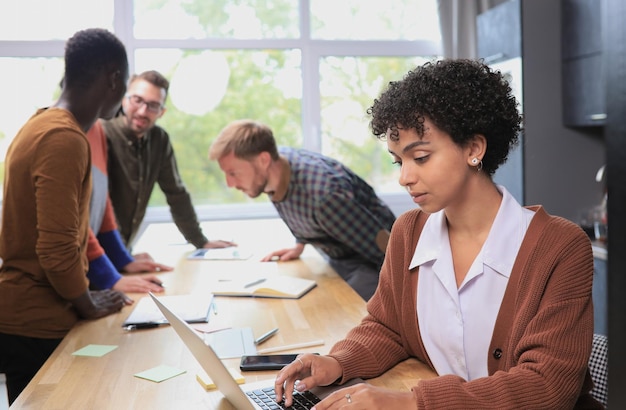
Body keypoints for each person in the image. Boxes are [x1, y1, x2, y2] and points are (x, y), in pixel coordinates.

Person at [273, 59, 602, 409]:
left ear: (474, 149)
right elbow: (388, 327)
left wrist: (412, 403)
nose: (405, 177)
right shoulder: (409, 232)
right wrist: (338, 362)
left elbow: (547, 387)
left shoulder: (560, 247)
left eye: (421, 157)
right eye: (400, 161)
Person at [0, 28, 130, 405]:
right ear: (114, 79)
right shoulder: (64, 138)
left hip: (32, 315)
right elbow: (56, 249)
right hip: (36, 323)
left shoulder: (42, 124)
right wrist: (87, 302)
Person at [208, 120, 396, 301]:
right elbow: (298, 202)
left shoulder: (325, 197)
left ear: (263, 160)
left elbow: (388, 252)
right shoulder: (274, 167)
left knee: (330, 316)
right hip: (339, 256)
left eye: (233, 173)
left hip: (373, 264)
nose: (229, 183)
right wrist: (301, 241)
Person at [103, 70, 235, 251]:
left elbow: (176, 194)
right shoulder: (102, 133)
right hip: (98, 257)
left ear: (161, 112)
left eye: (153, 105)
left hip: (124, 253)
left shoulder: (159, 140)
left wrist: (200, 242)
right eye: (137, 100)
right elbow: (99, 204)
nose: (143, 111)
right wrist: (121, 258)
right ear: (124, 99)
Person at [86, 120, 172, 295]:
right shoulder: (61, 133)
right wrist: (110, 277)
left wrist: (121, 259)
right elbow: (70, 226)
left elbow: (102, 200)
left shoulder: (97, 129)